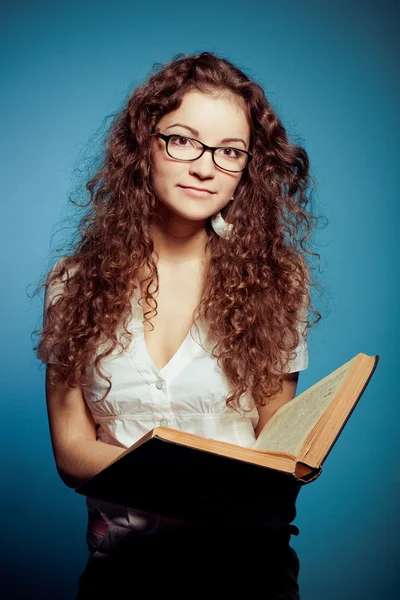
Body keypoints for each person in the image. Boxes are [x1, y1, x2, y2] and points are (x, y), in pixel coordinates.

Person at [36, 51, 321, 599]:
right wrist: (190, 485)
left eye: (230, 151)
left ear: (247, 170)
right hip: (119, 578)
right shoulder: (72, 282)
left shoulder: (278, 281)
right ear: (145, 144)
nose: (206, 165)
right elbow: (71, 449)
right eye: (184, 140)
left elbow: (277, 441)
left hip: (249, 575)